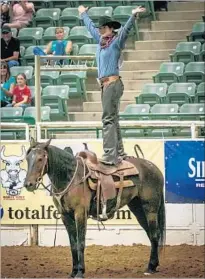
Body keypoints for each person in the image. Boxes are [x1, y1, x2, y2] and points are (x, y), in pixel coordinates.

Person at [78, 5, 146, 166]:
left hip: (112, 83)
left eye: (102, 28)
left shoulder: (116, 42)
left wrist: (133, 16)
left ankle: (110, 155)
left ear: (110, 29)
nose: (100, 31)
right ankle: (119, 152)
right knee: (112, 119)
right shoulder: (101, 41)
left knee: (108, 119)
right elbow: (90, 28)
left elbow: (125, 31)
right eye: (100, 28)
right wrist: (83, 14)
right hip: (106, 85)